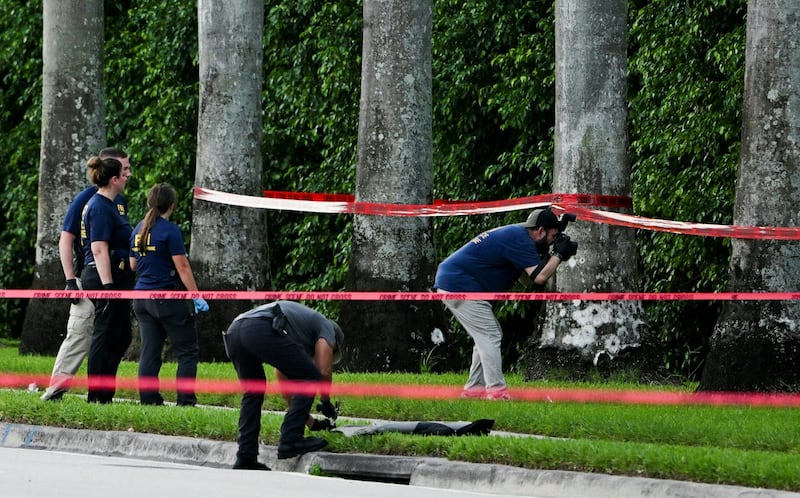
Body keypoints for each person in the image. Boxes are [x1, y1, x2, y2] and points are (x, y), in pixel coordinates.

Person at [434, 208, 578, 400]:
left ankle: (474, 391)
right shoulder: (520, 239)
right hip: (458, 284)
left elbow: (526, 281)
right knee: (490, 335)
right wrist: (558, 256)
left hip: (454, 282)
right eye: (553, 236)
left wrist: (551, 258)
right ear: (541, 231)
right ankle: (497, 393)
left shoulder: (519, 236)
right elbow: (539, 277)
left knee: (486, 337)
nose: (553, 242)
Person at [41, 148, 129, 401]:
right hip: (92, 276)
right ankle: (55, 390)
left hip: (110, 276)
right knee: (80, 334)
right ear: (112, 173)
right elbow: (70, 240)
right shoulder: (91, 200)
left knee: (116, 334)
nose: (128, 174)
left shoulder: (117, 201)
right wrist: (70, 280)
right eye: (125, 169)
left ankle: (102, 393)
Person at [222, 300, 344, 470]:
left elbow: (287, 389)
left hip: (235, 331)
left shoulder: (296, 332)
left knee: (253, 392)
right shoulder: (326, 326)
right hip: (258, 327)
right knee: (310, 376)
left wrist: (312, 423)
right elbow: (323, 371)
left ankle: (246, 457)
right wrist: (325, 402)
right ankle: (291, 441)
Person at [129, 183, 208, 406]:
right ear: (171, 205)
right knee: (187, 351)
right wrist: (196, 295)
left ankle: (149, 399)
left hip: (141, 299)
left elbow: (133, 265)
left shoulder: (137, 229)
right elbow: (182, 267)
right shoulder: (170, 231)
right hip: (166, 298)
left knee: (150, 351)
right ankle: (185, 401)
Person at [80, 152, 134, 404]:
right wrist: (109, 286)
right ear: (114, 179)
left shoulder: (112, 205)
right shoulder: (100, 206)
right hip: (103, 276)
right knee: (105, 333)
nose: (127, 177)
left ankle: (106, 392)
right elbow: (98, 248)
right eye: (123, 174)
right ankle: (97, 395)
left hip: (117, 275)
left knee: (122, 334)